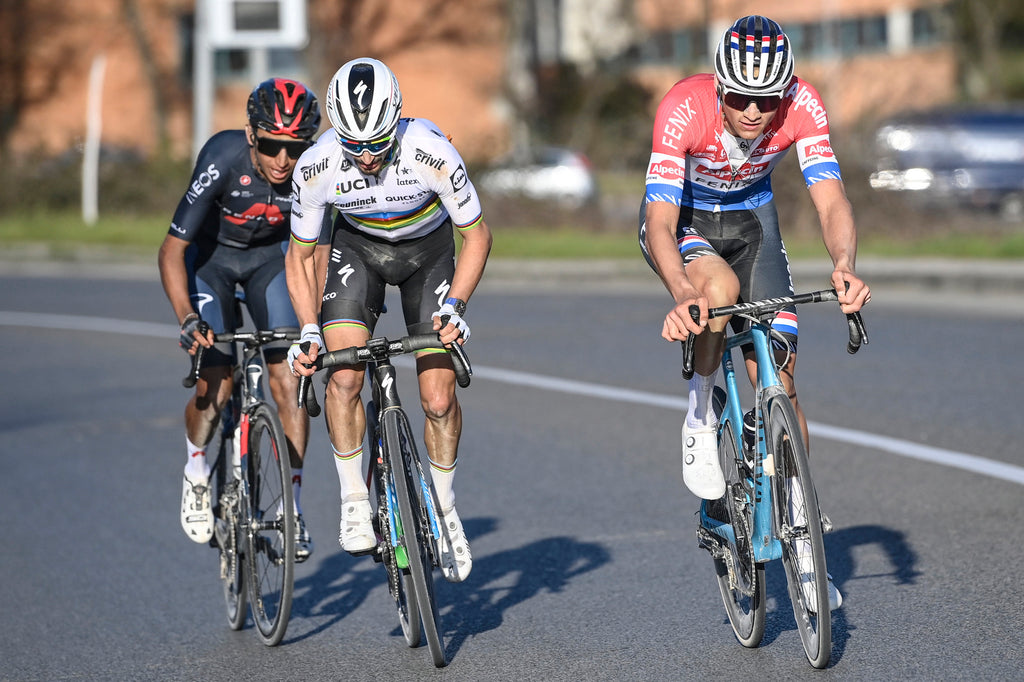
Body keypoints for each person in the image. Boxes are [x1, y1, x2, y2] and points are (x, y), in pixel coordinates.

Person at [639, 16, 870, 609]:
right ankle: (698, 412)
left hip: (752, 221)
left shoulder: (802, 104)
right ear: (720, 86)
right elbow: (659, 222)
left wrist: (843, 262)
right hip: (686, 223)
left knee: (783, 381)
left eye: (765, 100)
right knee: (714, 291)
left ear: (784, 91)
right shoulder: (685, 108)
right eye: (739, 97)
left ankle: (801, 537)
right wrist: (678, 293)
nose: (751, 111)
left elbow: (830, 196)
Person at [286, 57, 492, 583]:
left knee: (439, 397)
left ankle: (445, 511)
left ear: (396, 119)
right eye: (354, 147)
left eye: (378, 143)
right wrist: (309, 329)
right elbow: (302, 255)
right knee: (345, 375)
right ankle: (355, 498)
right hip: (358, 254)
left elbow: (478, 234)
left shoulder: (431, 151)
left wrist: (457, 306)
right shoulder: (318, 164)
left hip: (429, 255)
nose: (367, 157)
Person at [159, 77, 325, 562]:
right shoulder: (222, 157)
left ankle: (290, 509)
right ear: (252, 135)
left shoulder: (309, 173)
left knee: (289, 379)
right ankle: (195, 471)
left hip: (269, 263)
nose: (283, 160)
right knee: (217, 380)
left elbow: (317, 255)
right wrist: (188, 319)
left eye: (295, 149)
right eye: (272, 145)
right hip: (210, 263)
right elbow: (172, 252)